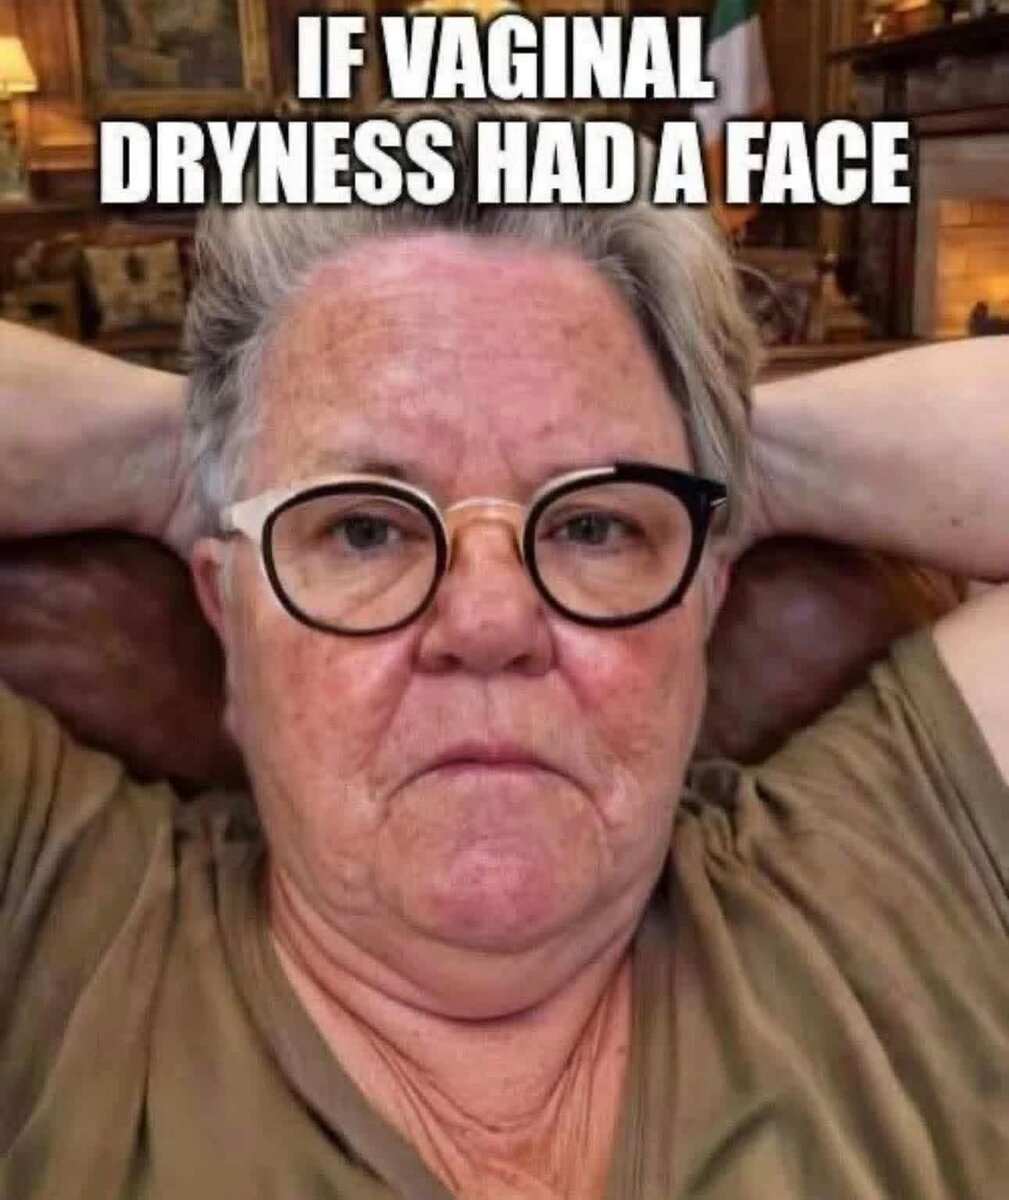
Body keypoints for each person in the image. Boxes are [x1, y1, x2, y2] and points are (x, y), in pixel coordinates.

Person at [1, 114, 1007, 1200]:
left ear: (705, 600)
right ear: (229, 611)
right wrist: (180, 458)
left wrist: (720, 463)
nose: (487, 623)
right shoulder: (57, 912)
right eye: (362, 528)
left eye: (593, 527)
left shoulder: (897, 863)